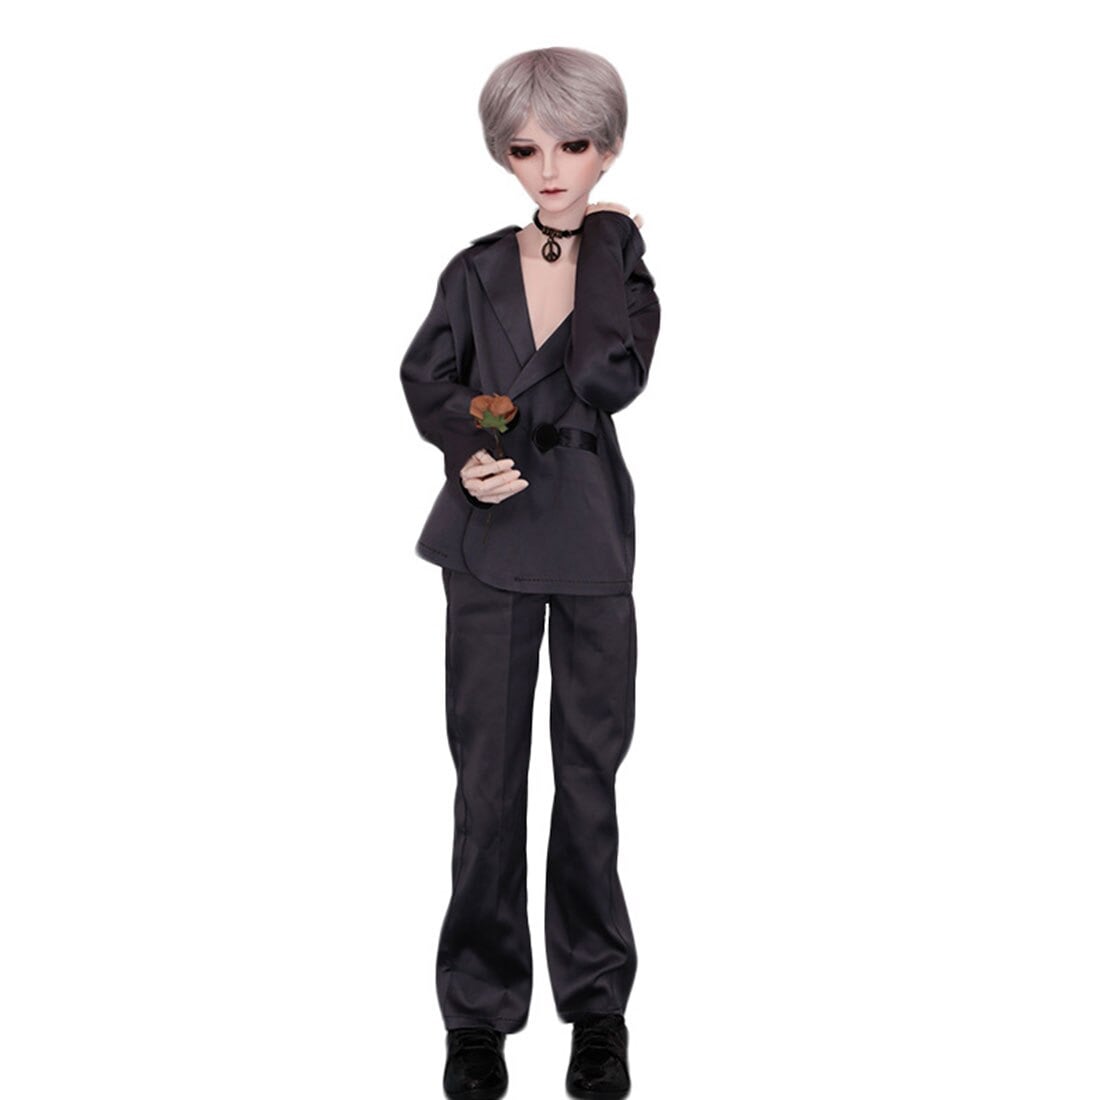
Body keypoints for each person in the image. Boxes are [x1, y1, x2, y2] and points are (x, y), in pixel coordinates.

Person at [400, 46, 660, 1100]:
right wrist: (469, 445)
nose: (549, 169)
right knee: (488, 783)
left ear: (608, 150)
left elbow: (607, 373)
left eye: (573, 145)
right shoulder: (472, 271)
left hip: (589, 542)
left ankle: (597, 1009)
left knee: (588, 785)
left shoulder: (621, 270)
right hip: (491, 542)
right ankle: (476, 1014)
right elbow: (427, 376)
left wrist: (606, 241)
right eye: (524, 149)